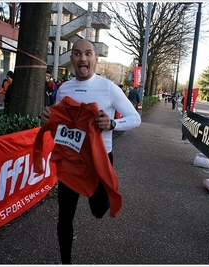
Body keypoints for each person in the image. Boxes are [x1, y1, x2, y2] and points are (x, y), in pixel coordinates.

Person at [40, 39, 141, 264]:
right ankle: (65, 261)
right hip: (71, 160)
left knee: (97, 210)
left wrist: (113, 124)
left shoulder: (108, 88)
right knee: (65, 215)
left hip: (100, 160)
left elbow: (136, 119)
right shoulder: (63, 89)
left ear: (96, 59)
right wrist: (47, 119)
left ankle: (105, 194)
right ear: (72, 59)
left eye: (88, 54)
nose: (82, 58)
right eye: (77, 54)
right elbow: (60, 123)